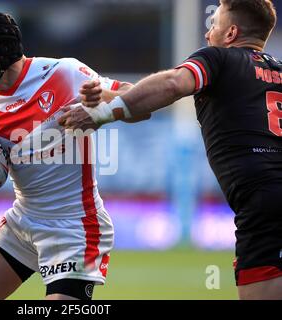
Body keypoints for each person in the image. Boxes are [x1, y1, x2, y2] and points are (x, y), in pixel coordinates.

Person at [59, 0, 282, 299]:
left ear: (230, 34)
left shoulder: (217, 59)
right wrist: (108, 96)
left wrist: (102, 113)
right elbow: (150, 95)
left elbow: (174, 84)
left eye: (213, 25)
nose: (207, 34)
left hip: (263, 199)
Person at [0, 11, 148, 300]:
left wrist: (101, 104)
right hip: (23, 222)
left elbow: (139, 101)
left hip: (75, 227)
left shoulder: (63, 73)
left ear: (3, 48)